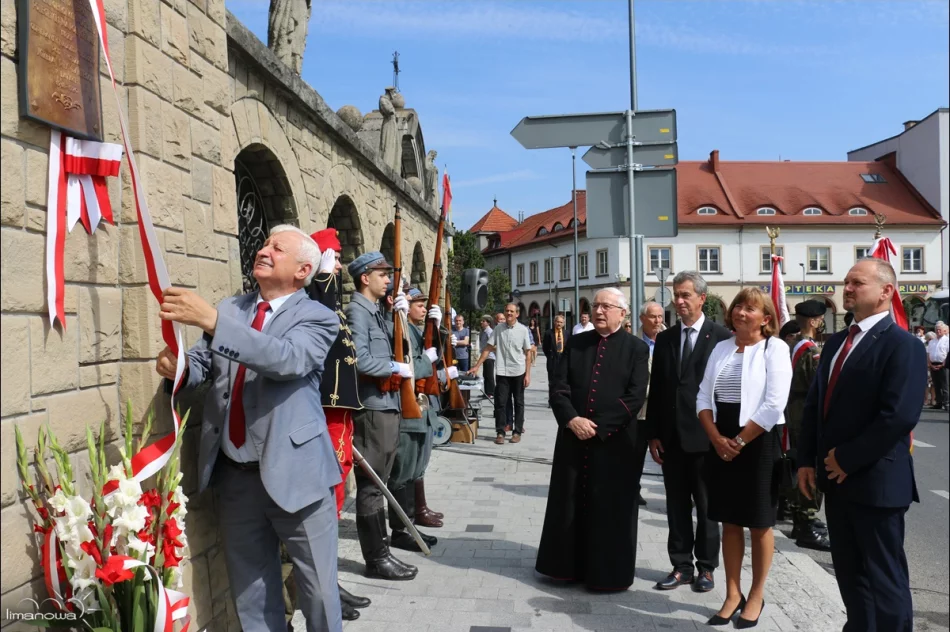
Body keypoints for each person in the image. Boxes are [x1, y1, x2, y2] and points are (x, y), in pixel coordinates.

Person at [156, 225, 343, 632]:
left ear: (303, 269)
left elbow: (285, 359)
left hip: (298, 476)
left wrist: (211, 320)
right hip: (236, 476)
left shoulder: (318, 317)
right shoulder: (233, 307)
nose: (265, 250)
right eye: (265, 243)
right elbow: (206, 365)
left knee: (320, 594)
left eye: (278, 248)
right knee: (252, 594)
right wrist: (180, 370)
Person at [799, 259, 926, 632]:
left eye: (858, 282)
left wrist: (847, 459)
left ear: (886, 291)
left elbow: (898, 416)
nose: (848, 288)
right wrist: (807, 459)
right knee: (851, 578)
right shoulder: (837, 341)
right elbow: (815, 405)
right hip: (836, 483)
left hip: (877, 483)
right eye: (846, 282)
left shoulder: (903, 345)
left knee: (885, 581)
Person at [536, 288, 650, 591]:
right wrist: (572, 419)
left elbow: (635, 397)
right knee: (570, 503)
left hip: (613, 444)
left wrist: (598, 427)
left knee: (609, 509)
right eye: (596, 305)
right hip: (573, 439)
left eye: (606, 307)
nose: (599, 311)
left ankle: (607, 574)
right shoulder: (576, 343)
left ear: (622, 314)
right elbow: (558, 386)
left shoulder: (636, 349)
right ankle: (565, 568)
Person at [697, 287, 792, 627]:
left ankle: (756, 595)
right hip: (721, 438)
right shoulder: (721, 348)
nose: (740, 312)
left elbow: (773, 404)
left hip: (757, 440)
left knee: (759, 522)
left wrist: (736, 441)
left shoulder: (774, 348)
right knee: (729, 520)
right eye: (738, 306)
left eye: (750, 308)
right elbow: (703, 397)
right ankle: (732, 593)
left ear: (766, 318)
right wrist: (716, 438)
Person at [645, 271, 732, 592]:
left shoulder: (722, 337)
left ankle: (706, 568)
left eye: (685, 295)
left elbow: (726, 391)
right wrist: (653, 433)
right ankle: (680, 565)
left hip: (707, 440)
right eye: (675, 295)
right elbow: (660, 390)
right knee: (676, 505)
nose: (679, 301)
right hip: (671, 440)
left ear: (701, 299)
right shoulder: (665, 338)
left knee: (708, 508)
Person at [305, 228, 371, 621]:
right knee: (326, 501)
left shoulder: (334, 306)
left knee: (336, 497)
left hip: (341, 417)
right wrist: (323, 277)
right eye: (334, 257)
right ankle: (325, 587)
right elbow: (320, 319)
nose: (340, 265)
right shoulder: (318, 300)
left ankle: (329, 583)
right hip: (326, 417)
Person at [345, 251, 418, 581]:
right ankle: (376, 559)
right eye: (383, 274)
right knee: (373, 486)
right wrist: (393, 367)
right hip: (373, 409)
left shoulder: (375, 311)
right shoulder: (357, 312)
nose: (388, 280)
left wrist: (399, 316)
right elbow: (359, 360)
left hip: (387, 406)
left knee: (381, 483)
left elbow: (393, 342)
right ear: (365, 278)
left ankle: (383, 551)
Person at [386, 287, 446, 550]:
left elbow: (436, 355)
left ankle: (410, 524)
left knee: (414, 472)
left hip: (423, 412)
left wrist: (438, 326)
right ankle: (400, 531)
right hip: (409, 414)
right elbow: (409, 366)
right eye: (419, 304)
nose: (423, 308)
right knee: (402, 474)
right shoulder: (399, 330)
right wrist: (427, 359)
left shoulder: (418, 330)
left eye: (425, 304)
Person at [785, 300, 831, 552]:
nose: (822, 323)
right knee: (810, 466)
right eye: (821, 319)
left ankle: (800, 520)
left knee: (796, 464)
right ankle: (807, 522)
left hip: (792, 411)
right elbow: (819, 387)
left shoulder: (792, 345)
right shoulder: (811, 350)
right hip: (805, 414)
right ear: (813, 321)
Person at [468, 303, 533, 445]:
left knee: (519, 402)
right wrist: (477, 366)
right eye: (507, 311)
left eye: (511, 311)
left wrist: (528, 374)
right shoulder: (498, 329)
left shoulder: (523, 330)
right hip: (502, 372)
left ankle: (517, 431)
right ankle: (500, 432)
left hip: (518, 371)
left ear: (517, 314)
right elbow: (488, 348)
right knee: (500, 403)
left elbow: (528, 353)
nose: (509, 313)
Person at [634, 301, 665, 508]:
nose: (657, 321)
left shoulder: (669, 340)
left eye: (660, 317)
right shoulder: (632, 342)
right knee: (635, 453)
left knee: (665, 453)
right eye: (653, 317)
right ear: (642, 318)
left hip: (662, 408)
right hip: (639, 410)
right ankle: (633, 489)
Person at [541, 314, 569, 405]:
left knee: (563, 381)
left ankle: (562, 399)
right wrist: (550, 356)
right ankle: (552, 400)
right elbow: (545, 347)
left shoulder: (567, 333)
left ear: (564, 324)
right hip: (553, 359)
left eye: (561, 322)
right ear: (554, 322)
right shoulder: (549, 333)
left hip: (563, 359)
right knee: (552, 381)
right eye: (557, 322)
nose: (559, 324)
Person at [928, 322, 948, 410]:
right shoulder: (932, 341)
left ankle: (946, 402)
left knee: (945, 385)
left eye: (940, 329)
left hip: (944, 364)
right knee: (936, 384)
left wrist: (943, 364)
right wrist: (930, 364)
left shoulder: (947, 340)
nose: (938, 331)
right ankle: (939, 402)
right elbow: (928, 353)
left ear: (944, 331)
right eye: (937, 329)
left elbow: (948, 354)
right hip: (933, 364)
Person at [478, 315, 496, 396]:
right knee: (485, 375)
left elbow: (493, 344)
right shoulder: (484, 331)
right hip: (484, 356)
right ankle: (486, 392)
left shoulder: (489, 331)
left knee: (489, 375)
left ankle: (491, 392)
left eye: (483, 321)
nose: (481, 322)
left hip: (489, 356)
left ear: (488, 322)